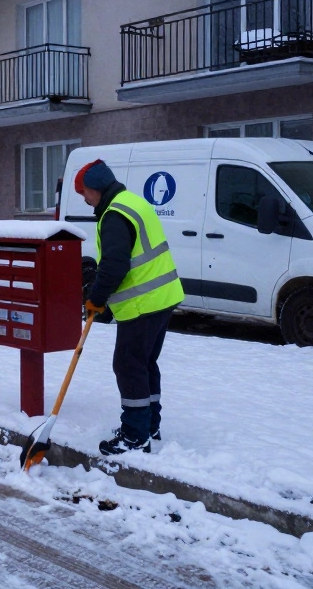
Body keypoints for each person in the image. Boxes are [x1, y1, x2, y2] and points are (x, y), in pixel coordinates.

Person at [76, 160, 184, 456]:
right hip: (162, 298)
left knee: (128, 365)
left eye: (83, 192)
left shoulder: (114, 214)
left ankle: (135, 436)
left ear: (95, 188)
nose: (84, 199)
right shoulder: (132, 202)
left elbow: (114, 265)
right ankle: (149, 426)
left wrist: (96, 298)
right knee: (144, 363)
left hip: (143, 304)